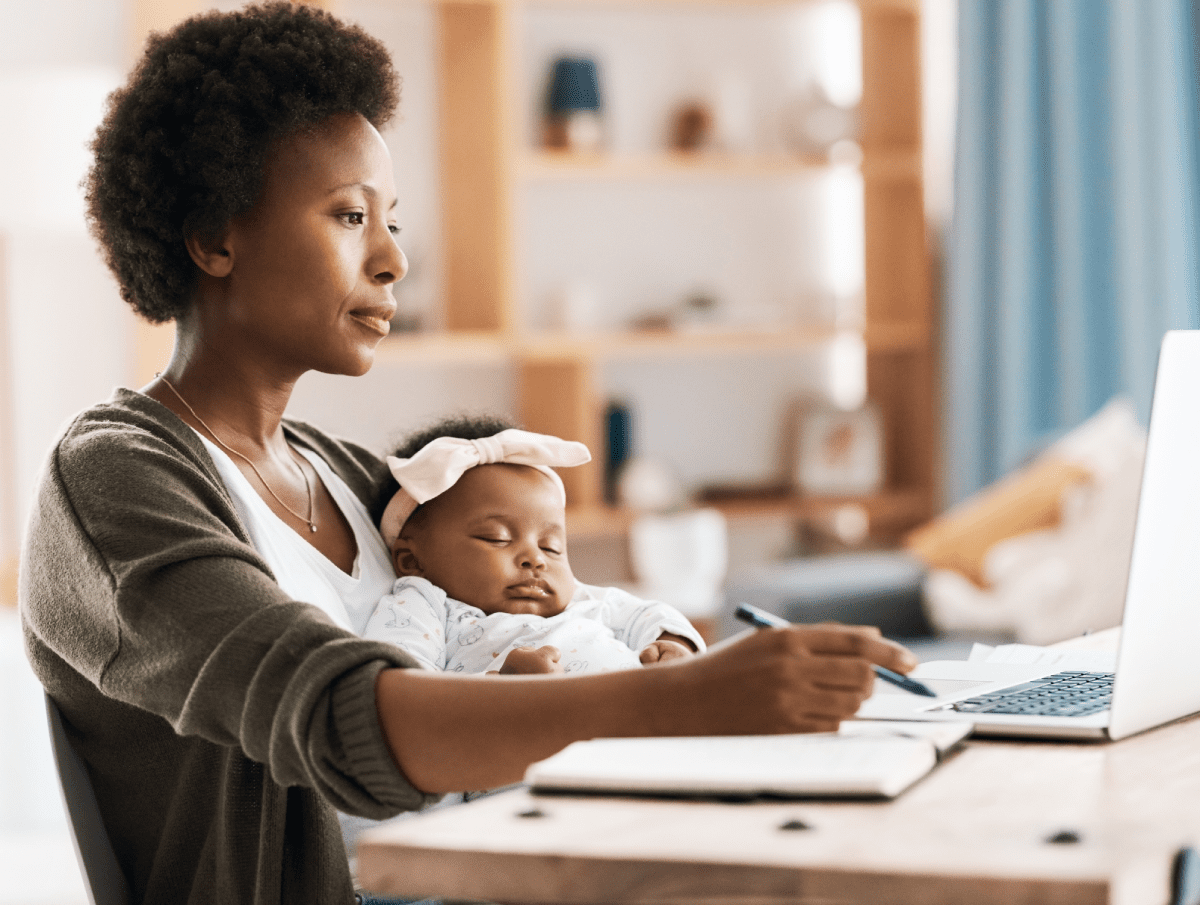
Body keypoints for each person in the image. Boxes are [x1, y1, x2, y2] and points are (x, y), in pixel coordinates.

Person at [17, 4, 918, 904]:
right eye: (347, 216)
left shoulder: (350, 476)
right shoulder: (115, 481)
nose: (392, 261)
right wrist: (683, 703)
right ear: (215, 237)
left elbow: (550, 607)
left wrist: (671, 650)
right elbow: (340, 717)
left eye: (392, 221)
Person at [366, 415, 705, 675]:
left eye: (552, 546)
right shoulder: (422, 607)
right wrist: (501, 686)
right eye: (497, 538)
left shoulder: (583, 601)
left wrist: (672, 644)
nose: (535, 559)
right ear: (412, 561)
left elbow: (651, 614)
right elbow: (404, 693)